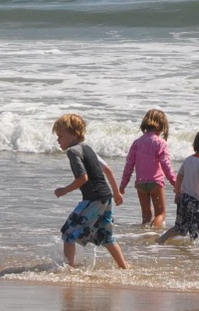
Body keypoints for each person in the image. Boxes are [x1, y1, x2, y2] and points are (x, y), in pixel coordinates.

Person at [52, 113, 127, 269]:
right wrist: (117, 193)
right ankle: (124, 267)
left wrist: (64, 190)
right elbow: (108, 169)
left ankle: (69, 269)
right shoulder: (88, 149)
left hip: (93, 198)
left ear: (72, 133)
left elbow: (83, 178)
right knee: (106, 236)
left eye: (60, 135)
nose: (58, 140)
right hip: (105, 197)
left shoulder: (73, 152)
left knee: (68, 233)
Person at [157, 129, 199, 244]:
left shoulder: (188, 159)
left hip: (183, 199)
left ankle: (162, 239)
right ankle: (195, 251)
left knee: (180, 227)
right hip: (195, 202)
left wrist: (178, 192)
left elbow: (179, 176)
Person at [119, 108, 177, 227]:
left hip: (140, 184)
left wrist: (123, 185)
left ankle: (144, 237)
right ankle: (153, 237)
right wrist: (175, 182)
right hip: (156, 182)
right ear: (161, 125)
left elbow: (129, 166)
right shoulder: (160, 143)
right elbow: (166, 165)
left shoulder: (137, 143)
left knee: (146, 216)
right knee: (160, 214)